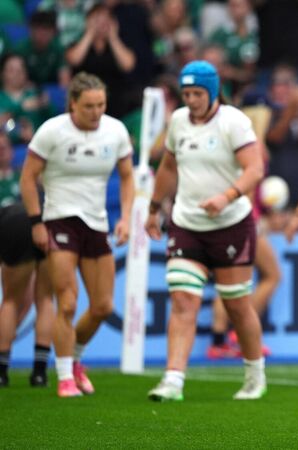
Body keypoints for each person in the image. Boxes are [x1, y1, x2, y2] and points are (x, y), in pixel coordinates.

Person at [145, 60, 267, 402]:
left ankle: (254, 375)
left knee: (236, 305)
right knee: (183, 300)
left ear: (212, 92)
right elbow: (168, 167)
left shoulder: (233, 122)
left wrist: (226, 197)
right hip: (187, 224)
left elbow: (255, 169)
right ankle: (173, 380)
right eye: (186, 94)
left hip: (231, 225)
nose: (191, 100)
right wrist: (153, 209)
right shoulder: (178, 121)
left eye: (197, 93)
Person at [19, 72, 135, 398]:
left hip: (96, 224)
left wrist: (126, 218)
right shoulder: (51, 131)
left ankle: (75, 359)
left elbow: (127, 177)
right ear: (73, 104)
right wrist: (36, 222)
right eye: (88, 106)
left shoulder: (116, 131)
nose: (96, 112)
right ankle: (65, 377)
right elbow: (28, 178)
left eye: (101, 105)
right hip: (60, 221)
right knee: (67, 302)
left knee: (102, 306)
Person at [0, 203, 54, 388]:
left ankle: (1, 373)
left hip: (15, 224)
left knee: (10, 301)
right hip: (49, 222)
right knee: (46, 299)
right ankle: (39, 373)